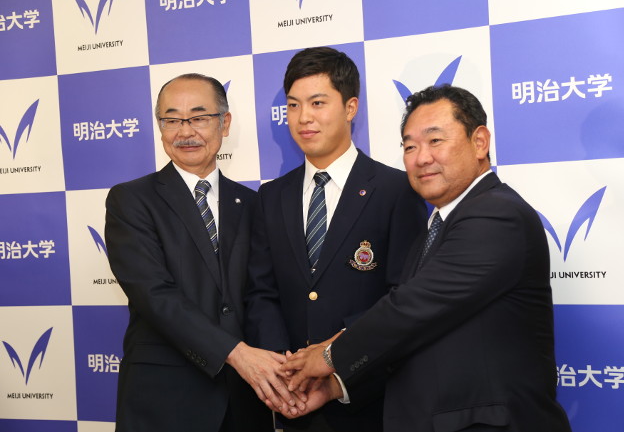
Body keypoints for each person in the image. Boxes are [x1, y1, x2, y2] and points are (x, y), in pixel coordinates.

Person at [282, 85, 573, 432]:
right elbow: (413, 333)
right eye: (409, 146)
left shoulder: (497, 214)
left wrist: (329, 355)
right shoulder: (434, 226)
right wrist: (336, 387)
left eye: (435, 141)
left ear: (479, 142)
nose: (420, 158)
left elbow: (410, 310)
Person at [244, 47, 427, 432]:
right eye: (293, 105)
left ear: (350, 107)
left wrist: (332, 364)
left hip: (367, 397)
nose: (304, 117)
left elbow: (403, 296)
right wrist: (285, 368)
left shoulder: (396, 190)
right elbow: (261, 291)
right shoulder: (271, 196)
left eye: (317, 103)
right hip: (292, 399)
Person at [105, 73, 299, 432]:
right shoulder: (131, 200)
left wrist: (277, 368)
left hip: (245, 400)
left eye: (198, 117)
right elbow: (154, 295)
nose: (185, 131)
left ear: (224, 123)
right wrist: (238, 353)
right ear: (160, 127)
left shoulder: (253, 204)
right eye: (172, 120)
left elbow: (261, 294)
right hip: (164, 400)